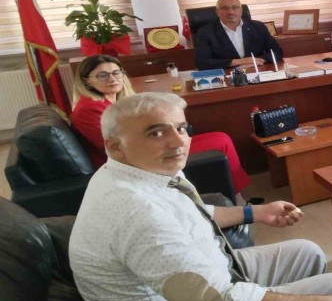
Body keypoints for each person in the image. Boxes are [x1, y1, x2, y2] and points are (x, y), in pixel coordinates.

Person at [69, 92, 332, 301]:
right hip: (194, 300)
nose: (178, 142)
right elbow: (214, 300)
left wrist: (257, 212)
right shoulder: (136, 209)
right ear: (115, 146)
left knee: (307, 251)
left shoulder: (141, 170)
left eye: (181, 128)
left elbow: (192, 212)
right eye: (156, 133)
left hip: (212, 265)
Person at [70, 54, 251, 201]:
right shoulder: (88, 109)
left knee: (218, 137)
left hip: (150, 146)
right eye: (102, 75)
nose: (112, 79)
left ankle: (237, 195)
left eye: (117, 73)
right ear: (87, 81)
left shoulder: (112, 101)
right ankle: (238, 198)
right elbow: (115, 148)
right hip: (134, 160)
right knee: (220, 141)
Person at [194, 0, 283, 70]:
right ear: (217, 12)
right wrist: (239, 62)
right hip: (226, 74)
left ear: (241, 11)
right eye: (225, 8)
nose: (231, 12)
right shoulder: (205, 32)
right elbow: (202, 62)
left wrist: (257, 61)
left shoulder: (258, 27)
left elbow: (277, 51)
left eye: (235, 7)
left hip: (256, 69)